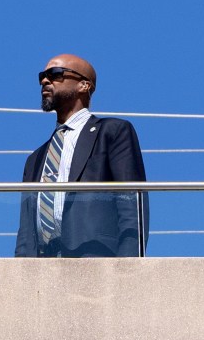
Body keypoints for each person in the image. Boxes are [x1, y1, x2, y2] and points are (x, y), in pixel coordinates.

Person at [16, 54, 147, 257]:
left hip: (96, 261)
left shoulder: (112, 132)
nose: (45, 80)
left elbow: (132, 206)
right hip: (42, 269)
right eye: (42, 76)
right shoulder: (35, 159)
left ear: (84, 86)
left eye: (55, 74)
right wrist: (21, 274)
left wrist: (129, 268)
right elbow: (26, 230)